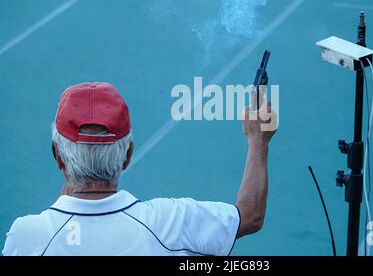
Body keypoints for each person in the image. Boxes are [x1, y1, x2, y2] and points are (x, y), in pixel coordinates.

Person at [2, 82, 277, 255]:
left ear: (58, 156)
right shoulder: (171, 222)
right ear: (128, 155)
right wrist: (258, 140)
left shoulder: (27, 235)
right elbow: (249, 216)